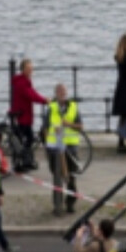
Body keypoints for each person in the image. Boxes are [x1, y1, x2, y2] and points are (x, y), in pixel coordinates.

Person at [44, 83, 82, 216]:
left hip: (70, 147)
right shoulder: (51, 108)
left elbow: (80, 127)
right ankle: (57, 205)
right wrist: (47, 147)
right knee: (56, 178)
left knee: (71, 176)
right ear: (56, 94)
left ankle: (70, 203)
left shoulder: (73, 107)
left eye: (64, 91)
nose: (62, 94)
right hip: (55, 148)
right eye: (59, 91)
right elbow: (44, 128)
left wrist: (69, 124)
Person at [9, 60, 49, 172]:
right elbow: (31, 95)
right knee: (28, 138)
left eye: (31, 68)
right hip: (23, 114)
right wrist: (44, 100)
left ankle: (25, 161)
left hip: (23, 113)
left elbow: (32, 92)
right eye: (28, 68)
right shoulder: (22, 82)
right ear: (23, 69)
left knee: (25, 138)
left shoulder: (24, 81)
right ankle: (25, 162)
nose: (31, 70)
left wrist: (43, 99)